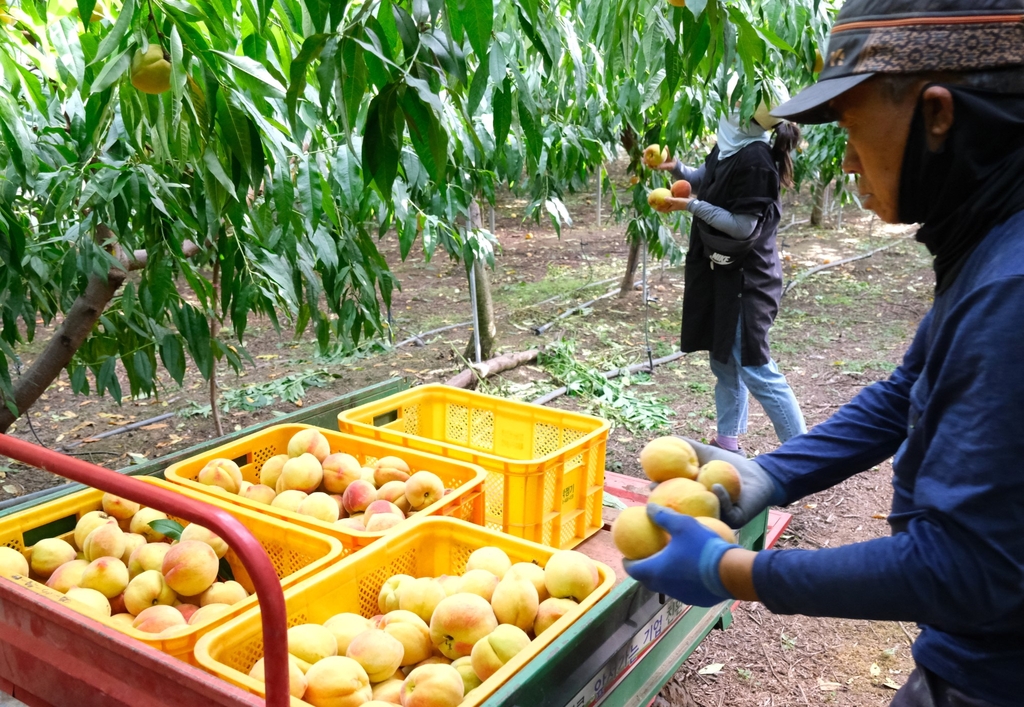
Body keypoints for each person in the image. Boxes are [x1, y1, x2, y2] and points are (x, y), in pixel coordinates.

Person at [626, 1, 1024, 705]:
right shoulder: (991, 244)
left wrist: (736, 572)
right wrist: (772, 475)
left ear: (937, 116)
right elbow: (905, 392)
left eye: (851, 129)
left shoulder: (1011, 286)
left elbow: (964, 567)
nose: (844, 161)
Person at [655, 98, 807, 451]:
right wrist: (676, 168)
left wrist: (691, 205)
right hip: (722, 271)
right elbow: (705, 178)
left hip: (747, 280)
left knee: (755, 366)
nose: (727, 105)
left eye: (737, 102)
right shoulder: (729, 146)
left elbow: (742, 227)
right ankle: (728, 442)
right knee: (724, 360)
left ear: (746, 117)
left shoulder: (755, 160)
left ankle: (804, 454)